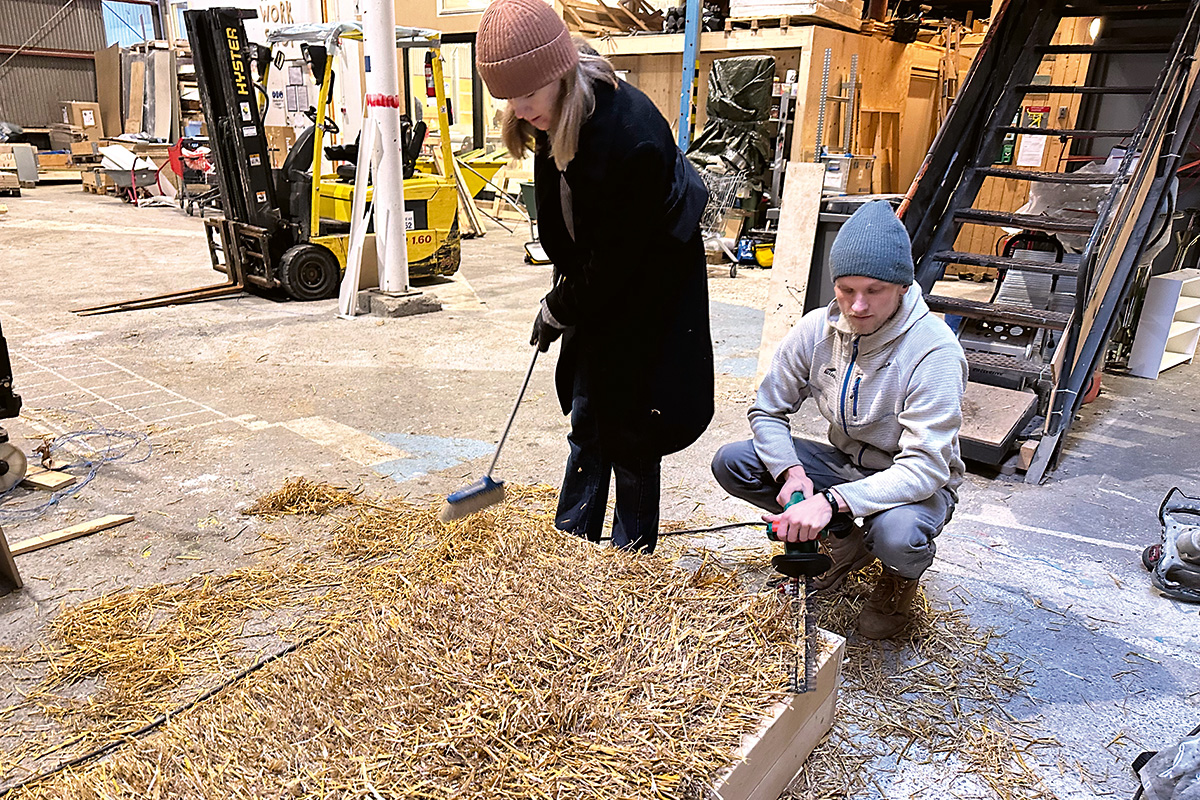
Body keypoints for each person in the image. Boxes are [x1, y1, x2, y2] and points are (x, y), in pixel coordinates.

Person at [475, 0, 714, 554]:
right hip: (600, 278)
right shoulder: (546, 109)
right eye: (507, 98)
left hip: (649, 290)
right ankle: (571, 544)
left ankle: (629, 559)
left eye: (526, 96)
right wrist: (568, 300)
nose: (517, 108)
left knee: (632, 427)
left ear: (558, 72)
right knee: (588, 414)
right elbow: (580, 234)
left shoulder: (627, 136)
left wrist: (562, 305)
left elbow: (619, 262)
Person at [711, 200, 968, 639]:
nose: (858, 306)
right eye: (846, 290)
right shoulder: (816, 329)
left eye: (874, 291)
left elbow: (925, 467)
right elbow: (768, 409)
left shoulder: (934, 351)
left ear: (904, 287)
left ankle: (898, 580)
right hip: (847, 462)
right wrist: (791, 474)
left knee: (898, 535)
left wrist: (830, 502)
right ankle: (844, 544)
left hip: (913, 478)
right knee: (734, 461)